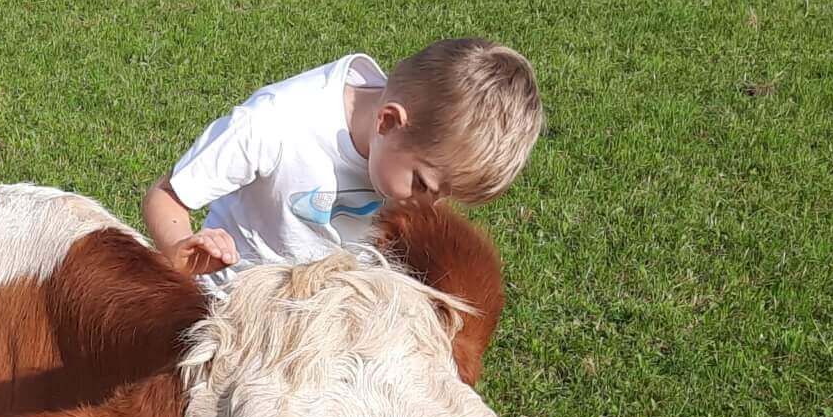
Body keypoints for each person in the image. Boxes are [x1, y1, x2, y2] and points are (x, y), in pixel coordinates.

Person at [141, 38, 543, 289]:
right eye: (422, 184)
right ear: (388, 122)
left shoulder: (404, 153)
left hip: (321, 330)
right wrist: (179, 248)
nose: (428, 204)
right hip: (227, 309)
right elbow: (166, 196)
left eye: (443, 195)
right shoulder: (276, 124)